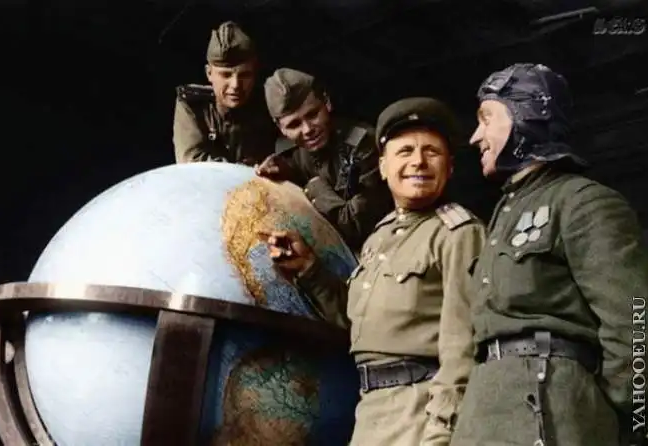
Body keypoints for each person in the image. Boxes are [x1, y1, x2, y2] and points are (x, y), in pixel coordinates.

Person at [450, 62, 648, 446]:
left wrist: (612, 416)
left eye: (486, 119)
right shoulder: (504, 215)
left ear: (525, 113)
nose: (475, 136)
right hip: (482, 419)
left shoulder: (581, 201)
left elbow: (637, 323)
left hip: (553, 416)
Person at [260, 97, 486, 445]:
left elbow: (464, 349)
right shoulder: (378, 238)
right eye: (405, 151)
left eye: (432, 152)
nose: (418, 162)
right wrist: (308, 268)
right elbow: (358, 323)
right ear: (382, 167)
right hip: (371, 414)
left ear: (450, 166)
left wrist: (442, 433)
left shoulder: (459, 234)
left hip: (421, 415)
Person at [255, 68, 392, 253]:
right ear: (280, 127)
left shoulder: (363, 145)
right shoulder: (287, 156)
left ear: (326, 102)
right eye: (294, 125)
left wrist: (313, 186)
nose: (307, 129)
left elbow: (356, 227)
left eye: (312, 115)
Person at [172, 21, 278, 165]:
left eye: (245, 75)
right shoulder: (194, 105)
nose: (236, 85)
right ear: (209, 73)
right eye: (226, 75)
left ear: (255, 73)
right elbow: (192, 162)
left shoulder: (269, 101)